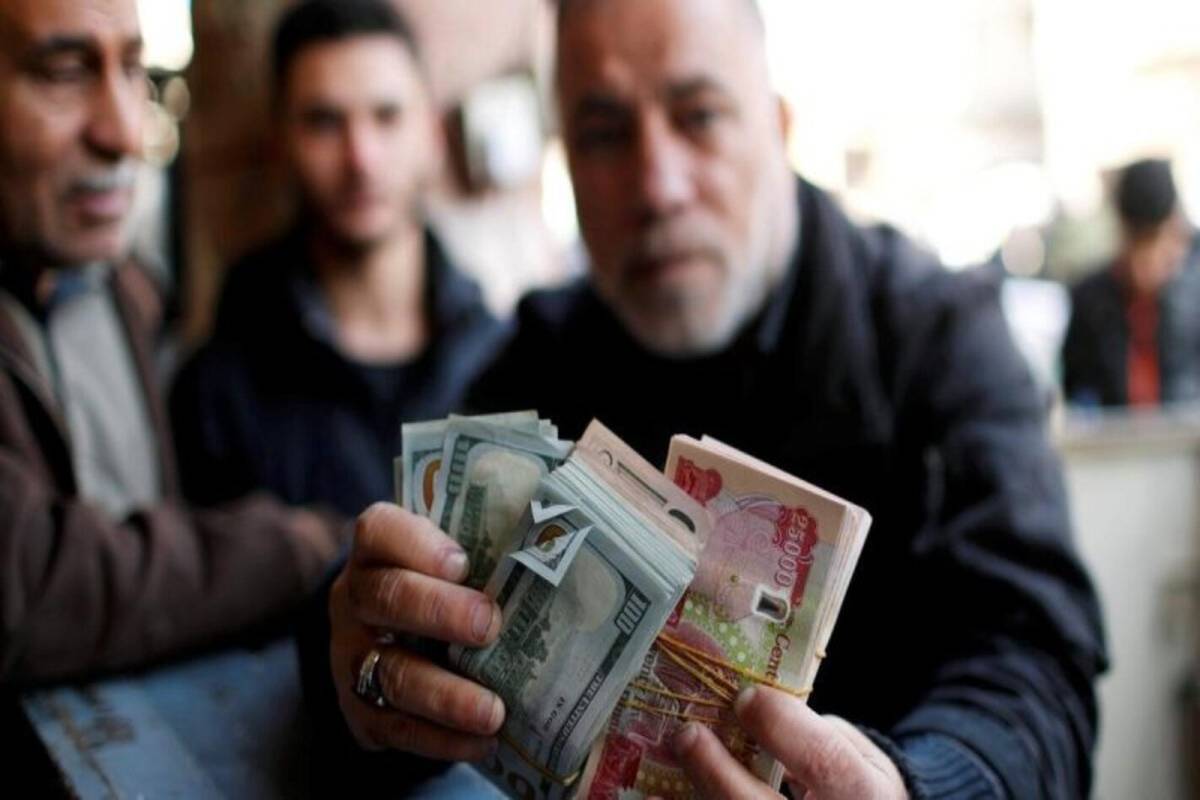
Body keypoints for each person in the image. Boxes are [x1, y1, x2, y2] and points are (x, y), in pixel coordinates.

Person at [313, 0, 1108, 797]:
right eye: (604, 134)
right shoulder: (536, 362)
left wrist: (918, 787)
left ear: (779, 128)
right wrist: (359, 671)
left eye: (699, 116)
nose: (657, 186)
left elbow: (1037, 669)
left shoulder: (941, 341)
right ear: (568, 168)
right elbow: (385, 609)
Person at [0, 0, 345, 685]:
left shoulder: (122, 289)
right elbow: (30, 585)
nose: (126, 131)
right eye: (64, 72)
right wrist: (302, 546)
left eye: (132, 68)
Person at [170, 0, 508, 519]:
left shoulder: (500, 357)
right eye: (324, 122)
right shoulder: (220, 387)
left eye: (387, 116)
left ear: (432, 134)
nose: (361, 158)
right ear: (281, 142)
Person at [1063, 158, 1200, 408]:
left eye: (1154, 240)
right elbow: (1076, 388)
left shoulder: (1192, 299)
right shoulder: (1089, 300)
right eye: (1137, 242)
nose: (1143, 262)